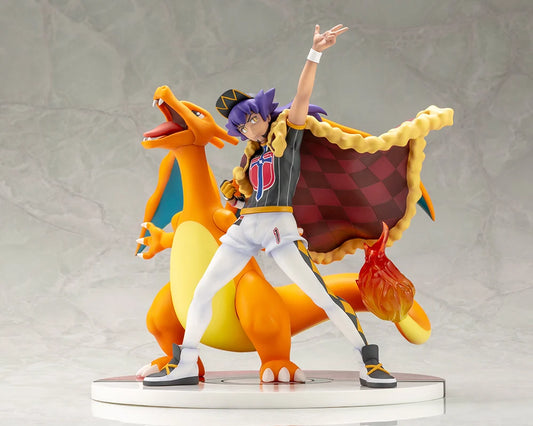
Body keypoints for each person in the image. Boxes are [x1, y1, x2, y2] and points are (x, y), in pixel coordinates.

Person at [144, 24, 397, 388]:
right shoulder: (251, 157)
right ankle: (185, 363)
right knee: (202, 291)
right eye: (241, 125)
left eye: (251, 118)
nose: (249, 127)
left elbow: (302, 94)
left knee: (322, 297)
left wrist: (315, 53)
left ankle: (369, 362)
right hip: (245, 228)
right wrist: (236, 196)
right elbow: (246, 196)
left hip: (278, 227)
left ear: (264, 113)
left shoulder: (287, 138)